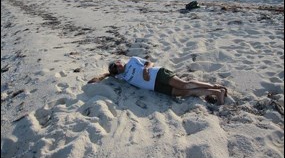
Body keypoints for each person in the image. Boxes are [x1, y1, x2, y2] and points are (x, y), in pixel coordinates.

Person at [88, 56, 227, 105]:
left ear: (120, 61)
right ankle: (215, 92)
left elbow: (150, 62)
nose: (117, 66)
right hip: (154, 87)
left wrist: (146, 70)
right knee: (184, 93)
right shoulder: (121, 76)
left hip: (157, 74)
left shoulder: (132, 61)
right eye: (114, 67)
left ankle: (215, 87)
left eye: (116, 63)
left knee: (185, 85)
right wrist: (101, 77)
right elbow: (106, 75)